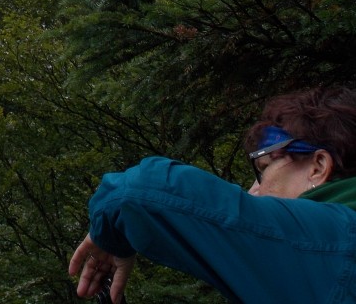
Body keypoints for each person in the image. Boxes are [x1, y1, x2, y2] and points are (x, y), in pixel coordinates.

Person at [68, 86, 356, 303]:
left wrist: (110, 233)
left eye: (264, 169)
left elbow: (138, 191)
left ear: (318, 167)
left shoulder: (336, 240)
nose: (254, 190)